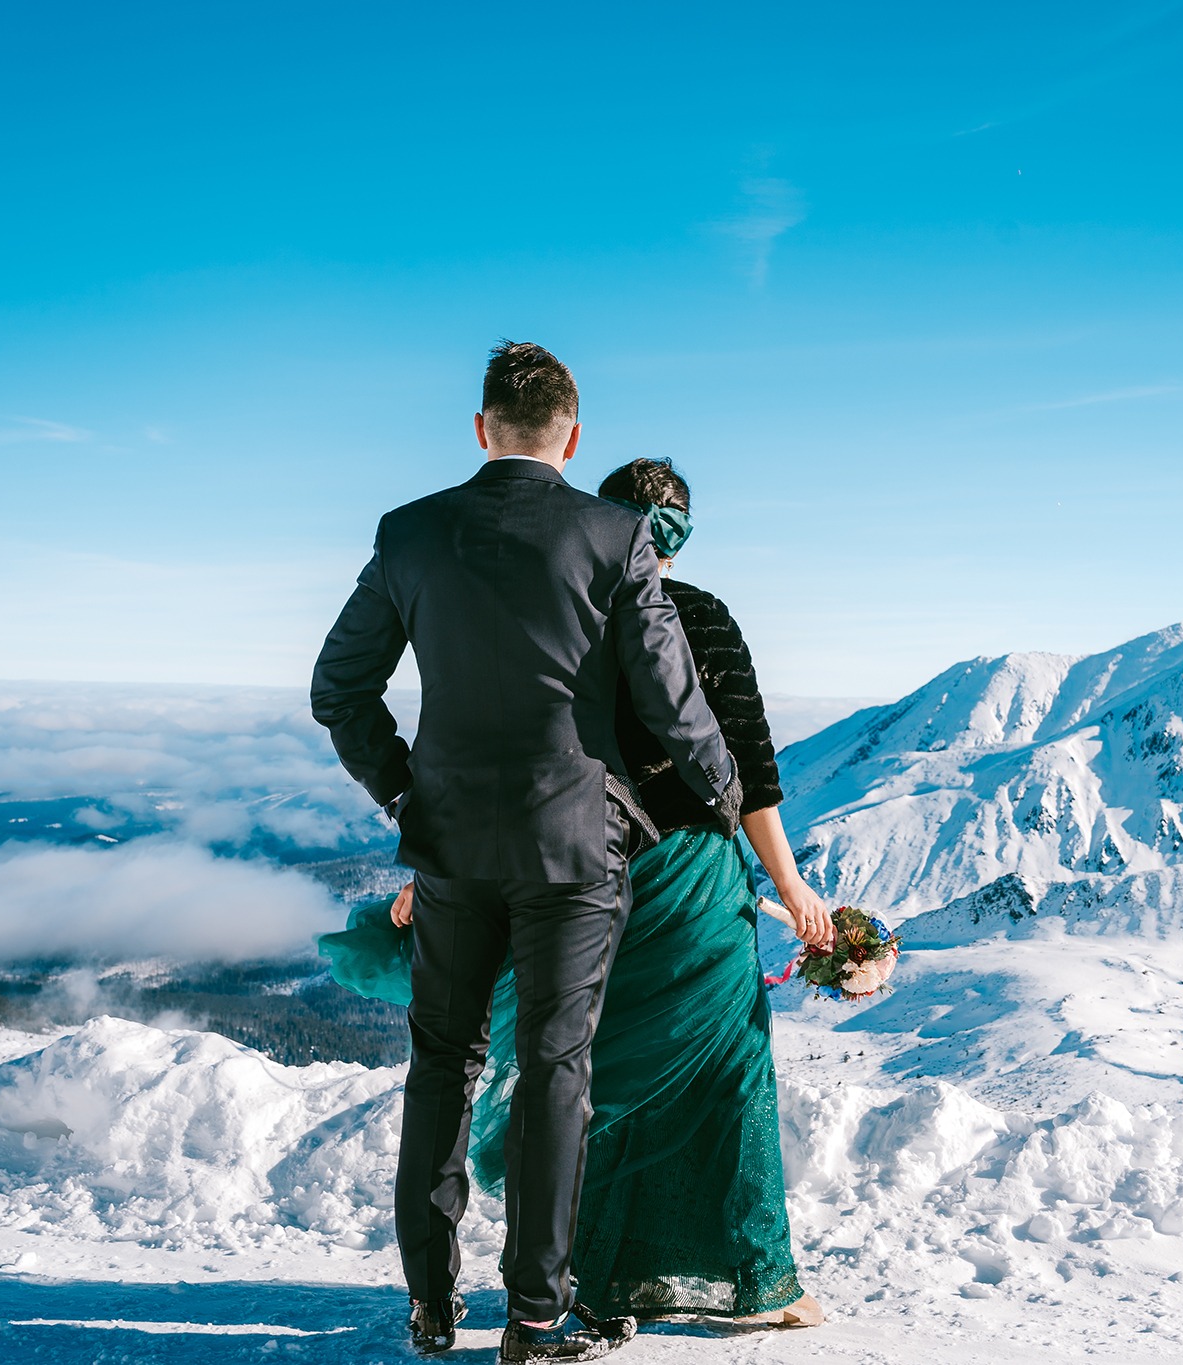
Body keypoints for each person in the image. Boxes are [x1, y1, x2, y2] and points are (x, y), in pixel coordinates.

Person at [311, 342, 739, 1363]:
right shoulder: (615, 536)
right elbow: (671, 698)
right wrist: (722, 794)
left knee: (440, 1064)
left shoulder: (409, 533)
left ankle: (429, 1303)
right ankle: (534, 1320)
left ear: (480, 428)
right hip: (574, 846)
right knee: (555, 1070)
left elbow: (338, 689)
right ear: (572, 438)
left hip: (450, 847)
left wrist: (405, 789)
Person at [353, 458, 834, 1327]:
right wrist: (788, 881)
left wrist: (436, 861)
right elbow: (746, 763)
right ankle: (750, 1276)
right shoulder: (704, 618)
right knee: (725, 1069)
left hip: (578, 862)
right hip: (691, 881)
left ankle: (575, 1274)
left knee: (583, 1072)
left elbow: (511, 754)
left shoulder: (572, 612)